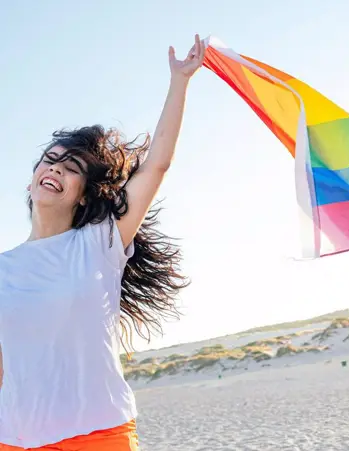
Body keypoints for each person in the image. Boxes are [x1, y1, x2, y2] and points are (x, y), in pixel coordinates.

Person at [0, 34, 206, 450]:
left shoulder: (99, 244)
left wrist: (179, 83)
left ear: (84, 192)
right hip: (13, 439)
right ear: (32, 178)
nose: (55, 169)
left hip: (96, 434)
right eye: (50, 161)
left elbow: (157, 166)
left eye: (71, 167)